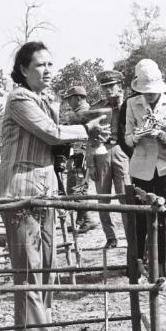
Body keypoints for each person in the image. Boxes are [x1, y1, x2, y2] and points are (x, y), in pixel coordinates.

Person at [0, 41, 107, 331]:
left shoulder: (44, 101)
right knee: (29, 266)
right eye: (40, 65)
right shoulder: (20, 99)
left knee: (46, 264)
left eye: (49, 65)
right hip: (20, 191)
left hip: (44, 190)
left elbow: (56, 142)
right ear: (23, 69)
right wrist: (87, 130)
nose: (47, 71)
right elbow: (52, 133)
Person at [124, 59, 166, 278]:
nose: (150, 95)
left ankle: (163, 271)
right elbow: (127, 138)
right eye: (146, 91)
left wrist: (162, 135)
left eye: (153, 91)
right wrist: (137, 136)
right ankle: (136, 267)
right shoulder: (132, 104)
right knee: (139, 220)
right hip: (141, 170)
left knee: (165, 220)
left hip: (165, 170)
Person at [89, 70, 131, 248]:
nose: (107, 90)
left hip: (122, 151)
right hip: (101, 151)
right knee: (103, 198)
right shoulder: (97, 108)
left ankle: (131, 238)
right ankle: (111, 237)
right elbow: (90, 137)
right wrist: (90, 164)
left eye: (111, 86)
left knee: (126, 197)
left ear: (119, 86)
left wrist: (120, 104)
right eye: (104, 87)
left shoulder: (129, 104)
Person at [64, 85, 97, 234]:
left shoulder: (83, 113)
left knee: (77, 188)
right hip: (80, 153)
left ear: (77, 98)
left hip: (80, 154)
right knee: (78, 188)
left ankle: (86, 220)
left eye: (69, 99)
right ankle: (82, 220)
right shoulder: (82, 112)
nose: (68, 102)